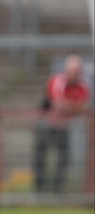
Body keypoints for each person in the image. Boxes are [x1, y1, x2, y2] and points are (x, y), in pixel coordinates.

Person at [33, 55, 92, 193]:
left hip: (65, 127)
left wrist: (68, 106)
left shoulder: (83, 85)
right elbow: (57, 101)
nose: (74, 75)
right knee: (40, 157)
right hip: (47, 125)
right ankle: (38, 189)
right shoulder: (56, 80)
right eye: (71, 71)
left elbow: (83, 106)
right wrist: (74, 107)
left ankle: (56, 190)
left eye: (76, 72)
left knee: (63, 159)